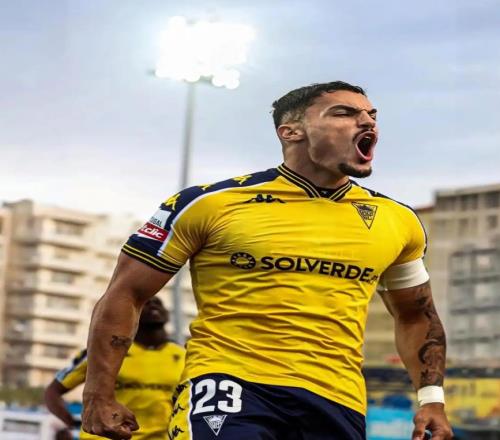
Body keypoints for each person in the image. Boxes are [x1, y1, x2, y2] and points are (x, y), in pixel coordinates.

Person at [81, 81, 453, 440]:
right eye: (344, 113)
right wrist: (98, 393)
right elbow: (126, 294)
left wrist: (432, 401)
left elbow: (416, 315)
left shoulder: (398, 221)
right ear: (291, 131)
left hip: (338, 399)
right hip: (228, 382)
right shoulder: (208, 204)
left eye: (372, 115)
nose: (367, 122)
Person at [45, 297, 185, 439]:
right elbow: (53, 392)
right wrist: (71, 422)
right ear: (133, 313)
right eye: (146, 303)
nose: (153, 305)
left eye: (158, 303)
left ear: (167, 314)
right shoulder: (105, 350)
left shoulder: (184, 355)